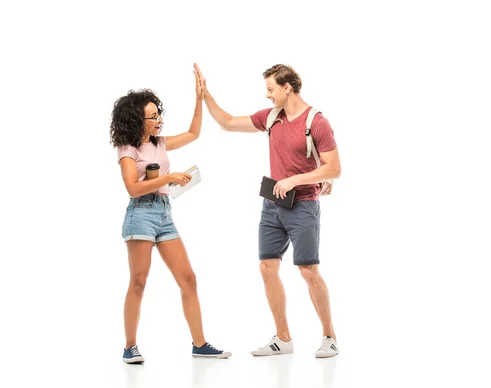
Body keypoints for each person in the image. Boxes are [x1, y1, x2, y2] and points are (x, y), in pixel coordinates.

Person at [199, 63, 341, 358]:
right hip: (272, 204)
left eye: (271, 89)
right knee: (267, 267)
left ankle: (329, 337)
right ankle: (283, 338)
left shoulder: (317, 122)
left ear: (287, 87)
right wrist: (205, 96)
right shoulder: (272, 117)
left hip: (303, 205)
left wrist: (296, 179)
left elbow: (334, 168)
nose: (267, 95)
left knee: (307, 270)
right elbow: (226, 122)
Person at [110, 65, 231, 363]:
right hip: (140, 213)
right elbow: (132, 188)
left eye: (158, 114)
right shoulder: (128, 148)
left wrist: (199, 99)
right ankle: (129, 347)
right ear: (138, 119)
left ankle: (200, 344)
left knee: (188, 278)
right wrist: (168, 178)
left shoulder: (159, 143)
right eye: (153, 117)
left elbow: (193, 133)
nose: (158, 120)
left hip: (164, 214)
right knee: (138, 281)